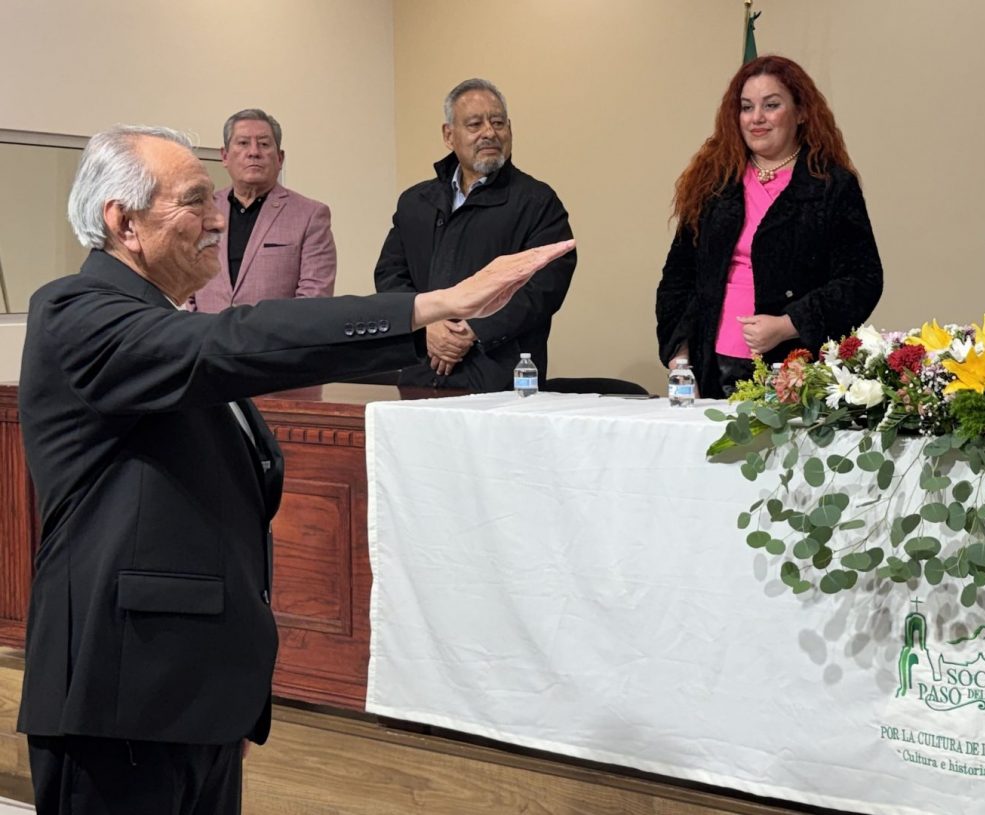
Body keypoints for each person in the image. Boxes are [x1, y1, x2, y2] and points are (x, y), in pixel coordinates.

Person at [16, 124, 573, 814]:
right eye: (195, 200)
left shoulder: (162, 322)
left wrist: (227, 694)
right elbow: (241, 337)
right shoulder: (77, 312)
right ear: (123, 222)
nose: (218, 217)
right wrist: (431, 305)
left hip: (192, 700)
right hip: (119, 699)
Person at [655, 55, 883, 398]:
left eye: (771, 105)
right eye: (746, 107)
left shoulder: (831, 185)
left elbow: (862, 280)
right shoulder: (714, 182)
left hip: (796, 370)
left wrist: (789, 324)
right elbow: (678, 277)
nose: (756, 118)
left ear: (801, 112)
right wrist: (680, 362)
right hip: (709, 366)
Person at [373, 78, 576, 391]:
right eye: (474, 124)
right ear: (448, 135)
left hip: (500, 377)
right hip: (422, 373)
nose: (489, 133)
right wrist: (425, 325)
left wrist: (473, 330)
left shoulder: (536, 201)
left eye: (498, 123)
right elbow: (390, 274)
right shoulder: (416, 202)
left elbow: (545, 286)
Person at [188, 108, 336, 311]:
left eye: (264, 144)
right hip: (208, 330)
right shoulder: (203, 211)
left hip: (275, 332)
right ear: (225, 156)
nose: (254, 152)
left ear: (280, 158)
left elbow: (314, 298)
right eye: (243, 143)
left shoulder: (310, 215)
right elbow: (187, 285)